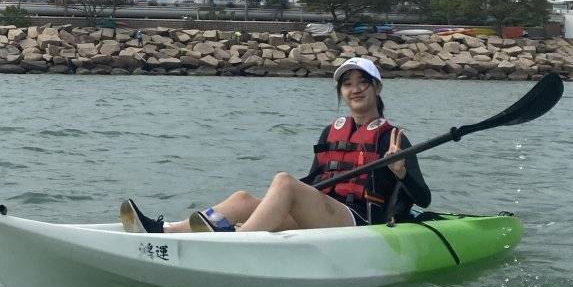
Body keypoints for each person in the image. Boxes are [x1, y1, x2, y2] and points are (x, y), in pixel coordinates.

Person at [120, 57, 432, 234]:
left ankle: (237, 242)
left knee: (284, 181)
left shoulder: (394, 138)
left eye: (362, 82)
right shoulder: (332, 131)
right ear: (341, 92)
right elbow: (315, 182)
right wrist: (282, 202)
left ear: (376, 87)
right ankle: (163, 232)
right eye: (347, 84)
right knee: (243, 198)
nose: (354, 90)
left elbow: (423, 198)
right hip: (324, 214)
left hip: (361, 221)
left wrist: (401, 172)